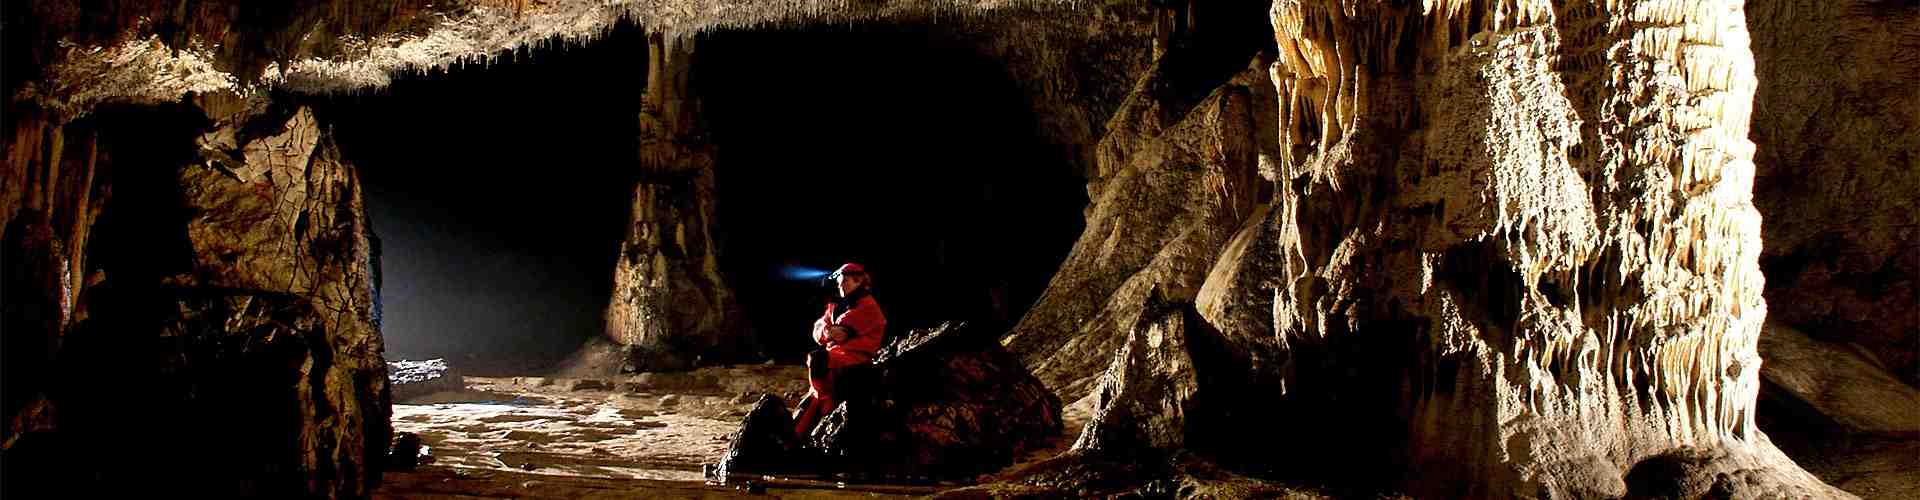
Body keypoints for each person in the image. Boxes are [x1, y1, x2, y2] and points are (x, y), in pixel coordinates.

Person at [792, 263, 886, 437]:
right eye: (839, 282)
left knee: (818, 360)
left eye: (845, 282)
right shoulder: (839, 305)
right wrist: (828, 330)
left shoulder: (868, 306)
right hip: (836, 357)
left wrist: (827, 330)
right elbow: (818, 330)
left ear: (858, 281)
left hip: (855, 360)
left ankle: (826, 408)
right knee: (817, 361)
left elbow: (839, 334)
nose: (840, 285)